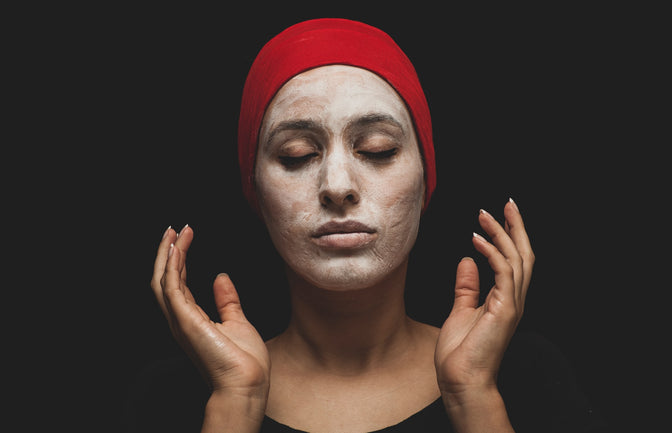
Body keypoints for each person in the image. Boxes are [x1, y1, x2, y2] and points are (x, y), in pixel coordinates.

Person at [129, 18, 606, 432]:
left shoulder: (528, 375)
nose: (337, 185)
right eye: (296, 155)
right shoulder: (172, 393)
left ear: (426, 179)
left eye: (378, 149)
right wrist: (236, 402)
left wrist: (472, 395)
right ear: (254, 189)